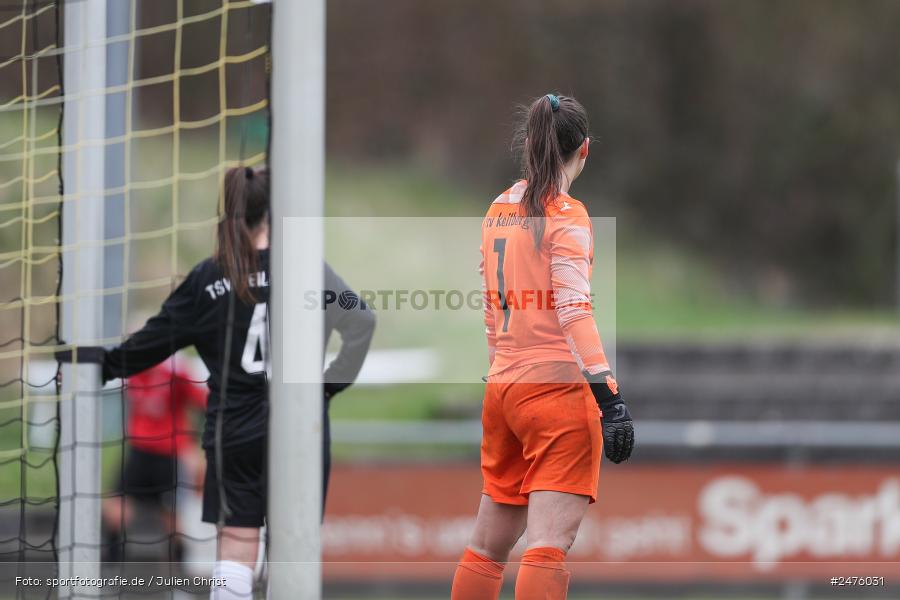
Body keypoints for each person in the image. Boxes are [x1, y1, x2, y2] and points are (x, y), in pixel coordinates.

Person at [57, 166, 375, 599]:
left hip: (235, 430)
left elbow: (148, 345)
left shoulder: (208, 278)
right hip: (301, 428)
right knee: (292, 549)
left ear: (230, 215)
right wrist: (326, 388)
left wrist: (94, 363)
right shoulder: (305, 270)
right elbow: (362, 322)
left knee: (238, 546)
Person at [451, 94, 635, 600]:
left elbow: (492, 307)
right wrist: (610, 397)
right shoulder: (568, 215)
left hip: (504, 389)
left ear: (529, 144)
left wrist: (502, 372)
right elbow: (574, 311)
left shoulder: (498, 208)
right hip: (554, 394)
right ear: (585, 151)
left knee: (487, 546)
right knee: (548, 545)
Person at [102, 358, 207, 563]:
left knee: (171, 520)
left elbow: (202, 400)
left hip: (168, 456)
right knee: (115, 510)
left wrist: (192, 447)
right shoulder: (132, 369)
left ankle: (178, 579)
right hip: (139, 452)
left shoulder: (176, 371)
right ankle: (109, 570)